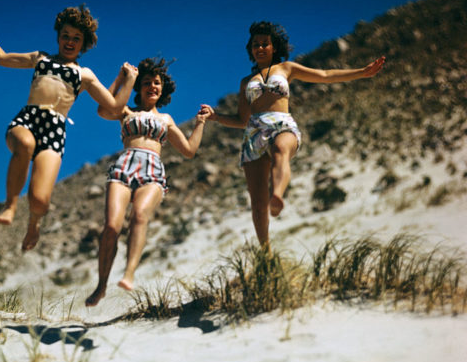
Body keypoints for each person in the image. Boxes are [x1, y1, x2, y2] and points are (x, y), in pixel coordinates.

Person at [201, 21, 385, 248]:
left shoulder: (286, 68)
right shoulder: (246, 82)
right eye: (255, 45)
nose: (260, 48)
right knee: (258, 204)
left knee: (281, 150)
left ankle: (277, 195)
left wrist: (361, 73)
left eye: (265, 44)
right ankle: (265, 254)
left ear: (274, 47)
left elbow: (325, 75)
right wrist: (216, 117)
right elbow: (242, 120)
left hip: (281, 124)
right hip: (254, 133)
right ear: (251, 49)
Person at [0, 5, 136, 251]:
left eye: (76, 38)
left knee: (40, 201)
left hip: (55, 131)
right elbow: (0, 57)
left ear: (84, 44)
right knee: (25, 145)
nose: (70, 41)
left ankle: (33, 223)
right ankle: (11, 205)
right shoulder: (41, 58)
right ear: (58, 37)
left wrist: (128, 79)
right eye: (66, 36)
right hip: (27, 120)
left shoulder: (85, 75)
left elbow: (113, 104)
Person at [85, 58, 210, 306]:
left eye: (156, 83)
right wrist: (121, 79)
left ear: (162, 89)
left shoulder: (166, 119)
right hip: (125, 165)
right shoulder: (126, 112)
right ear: (138, 88)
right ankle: (101, 285)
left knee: (140, 215)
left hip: (152, 169)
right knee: (111, 227)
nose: (152, 86)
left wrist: (200, 124)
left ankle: (129, 273)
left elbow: (188, 150)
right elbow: (102, 108)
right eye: (146, 83)